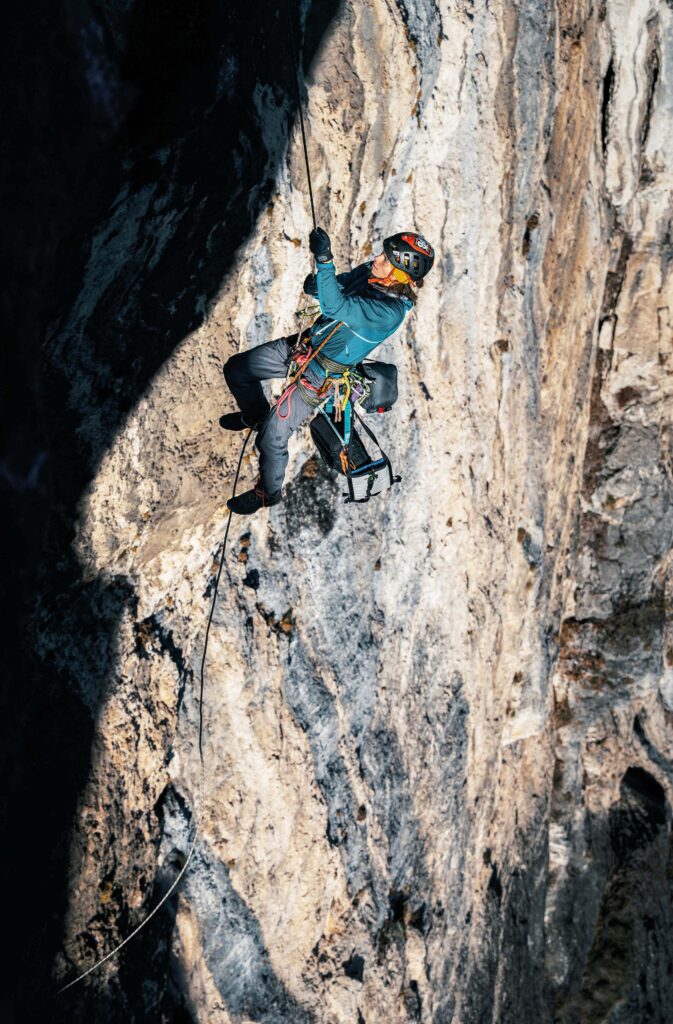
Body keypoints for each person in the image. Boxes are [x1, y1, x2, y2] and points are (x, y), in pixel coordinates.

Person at [221, 228, 435, 515]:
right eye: (383, 253)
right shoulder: (370, 274)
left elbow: (335, 306)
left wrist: (323, 259)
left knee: (271, 438)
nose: (377, 258)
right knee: (237, 370)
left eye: (386, 259)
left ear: (399, 276)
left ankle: (268, 493)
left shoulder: (389, 312)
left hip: (318, 377)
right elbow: (337, 287)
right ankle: (258, 416)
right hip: (305, 346)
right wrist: (319, 285)